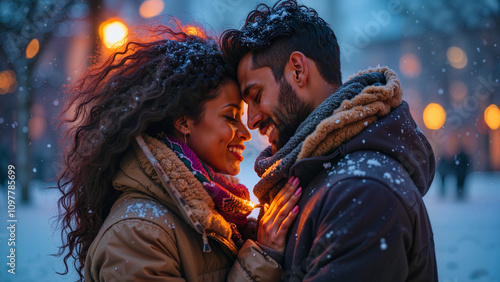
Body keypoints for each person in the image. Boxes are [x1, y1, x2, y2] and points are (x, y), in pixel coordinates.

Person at [56, 24, 301, 281]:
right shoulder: (137, 234)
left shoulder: (214, 214)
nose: (245, 132)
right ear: (184, 122)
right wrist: (261, 258)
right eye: (230, 117)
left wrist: (251, 240)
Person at [221, 0, 438, 280]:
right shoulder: (318, 177)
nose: (251, 121)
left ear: (298, 70)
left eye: (257, 95)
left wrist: (262, 261)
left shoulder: (361, 193)